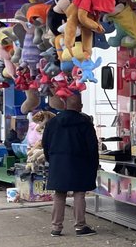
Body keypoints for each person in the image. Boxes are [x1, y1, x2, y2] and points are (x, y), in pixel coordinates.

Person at [42, 94, 98, 236]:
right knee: (79, 193)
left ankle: (56, 227)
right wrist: (93, 164)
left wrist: (52, 159)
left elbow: (45, 144)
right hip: (79, 162)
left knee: (59, 194)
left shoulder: (52, 122)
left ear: (64, 105)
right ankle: (80, 226)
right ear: (79, 106)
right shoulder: (85, 123)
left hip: (58, 162)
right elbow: (92, 146)